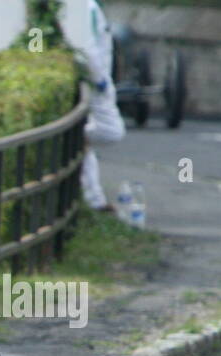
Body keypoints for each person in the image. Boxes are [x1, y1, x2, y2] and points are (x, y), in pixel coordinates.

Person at [80, 0, 126, 211]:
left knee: (84, 145)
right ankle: (94, 200)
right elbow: (88, 47)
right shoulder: (86, 7)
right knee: (111, 132)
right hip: (96, 84)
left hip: (97, 81)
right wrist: (100, 81)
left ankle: (95, 201)